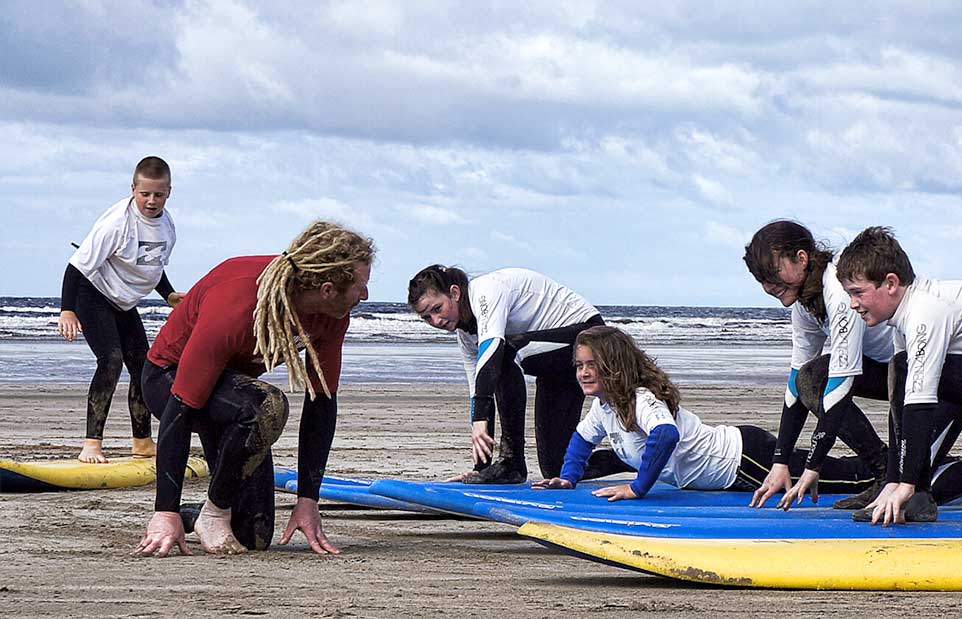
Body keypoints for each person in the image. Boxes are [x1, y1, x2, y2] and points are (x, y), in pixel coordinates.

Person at [133, 220, 374, 557]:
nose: (365, 294)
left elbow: (321, 404)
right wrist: (164, 511)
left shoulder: (333, 314)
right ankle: (210, 513)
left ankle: (200, 514)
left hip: (235, 396)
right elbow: (180, 409)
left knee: (254, 535)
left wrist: (308, 500)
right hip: (168, 380)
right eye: (361, 285)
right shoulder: (236, 303)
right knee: (268, 406)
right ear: (328, 288)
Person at [534, 326, 878, 503]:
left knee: (847, 477)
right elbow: (582, 439)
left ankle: (908, 472)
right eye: (579, 365)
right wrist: (568, 477)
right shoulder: (604, 405)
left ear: (614, 364)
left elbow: (665, 435)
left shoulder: (641, 398)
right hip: (730, 469)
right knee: (840, 471)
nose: (582, 373)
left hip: (743, 459)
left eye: (591, 365)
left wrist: (638, 488)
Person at [408, 266, 629, 483]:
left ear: (455, 293)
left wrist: (481, 423)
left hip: (586, 337)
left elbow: (494, 355)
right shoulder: (467, 338)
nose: (436, 321)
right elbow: (479, 392)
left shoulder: (485, 290)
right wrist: (480, 469)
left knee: (503, 353)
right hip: (552, 364)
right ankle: (637, 457)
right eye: (427, 317)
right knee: (558, 468)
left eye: (437, 309)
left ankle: (512, 462)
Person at [742, 220, 892, 510]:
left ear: (802, 258)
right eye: (759, 278)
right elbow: (798, 381)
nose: (767, 286)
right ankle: (885, 471)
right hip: (888, 371)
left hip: (928, 371)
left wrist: (812, 467)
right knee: (810, 378)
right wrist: (780, 462)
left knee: (923, 485)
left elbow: (840, 383)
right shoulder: (806, 304)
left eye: (771, 273)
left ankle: (890, 473)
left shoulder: (839, 290)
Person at [57, 156, 183, 464]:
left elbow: (150, 265)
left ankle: (142, 441)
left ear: (169, 192)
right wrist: (67, 310)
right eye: (145, 194)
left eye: (158, 194)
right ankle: (91, 445)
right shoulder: (117, 224)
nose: (151, 201)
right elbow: (76, 268)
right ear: (133, 189)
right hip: (93, 294)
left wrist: (168, 295)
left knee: (144, 367)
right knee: (111, 361)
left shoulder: (166, 225)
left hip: (123, 302)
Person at [837, 226, 962, 525]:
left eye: (858, 292)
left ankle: (911, 488)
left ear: (890, 283)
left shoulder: (925, 312)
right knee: (902, 376)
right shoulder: (902, 319)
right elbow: (902, 401)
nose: (853, 304)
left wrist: (907, 484)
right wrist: (894, 480)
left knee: (916, 386)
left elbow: (920, 402)